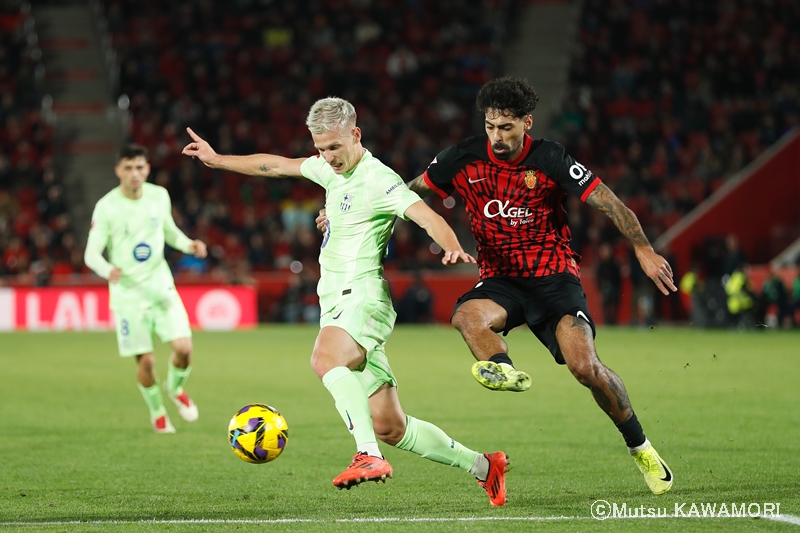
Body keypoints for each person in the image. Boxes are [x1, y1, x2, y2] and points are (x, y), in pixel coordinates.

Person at [317, 77, 677, 495]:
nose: (497, 136)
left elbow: (610, 202)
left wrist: (644, 249)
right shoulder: (463, 157)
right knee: (466, 316)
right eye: (490, 126)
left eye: (506, 127)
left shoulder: (551, 158)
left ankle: (640, 446)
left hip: (554, 278)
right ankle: (501, 368)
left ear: (527, 122)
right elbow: (406, 191)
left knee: (585, 367)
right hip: (501, 280)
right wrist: (346, 213)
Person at [181, 97, 509, 506]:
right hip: (337, 303)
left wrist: (451, 246)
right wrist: (216, 160)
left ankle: (367, 455)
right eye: (321, 148)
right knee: (391, 426)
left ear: (355, 134)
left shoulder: (379, 179)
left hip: (362, 295)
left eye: (335, 147)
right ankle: (484, 466)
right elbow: (276, 165)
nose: (328, 157)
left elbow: (428, 216)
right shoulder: (329, 171)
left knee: (326, 360)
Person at [84, 144, 207, 433]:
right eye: (128, 168)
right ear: (118, 171)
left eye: (139, 167)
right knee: (147, 362)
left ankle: (175, 388)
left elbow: (169, 231)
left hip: (160, 287)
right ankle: (157, 412)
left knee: (184, 349)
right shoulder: (107, 206)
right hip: (129, 295)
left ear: (147, 169)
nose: (134, 174)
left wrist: (188, 244)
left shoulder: (158, 196)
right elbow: (91, 254)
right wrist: (107, 270)